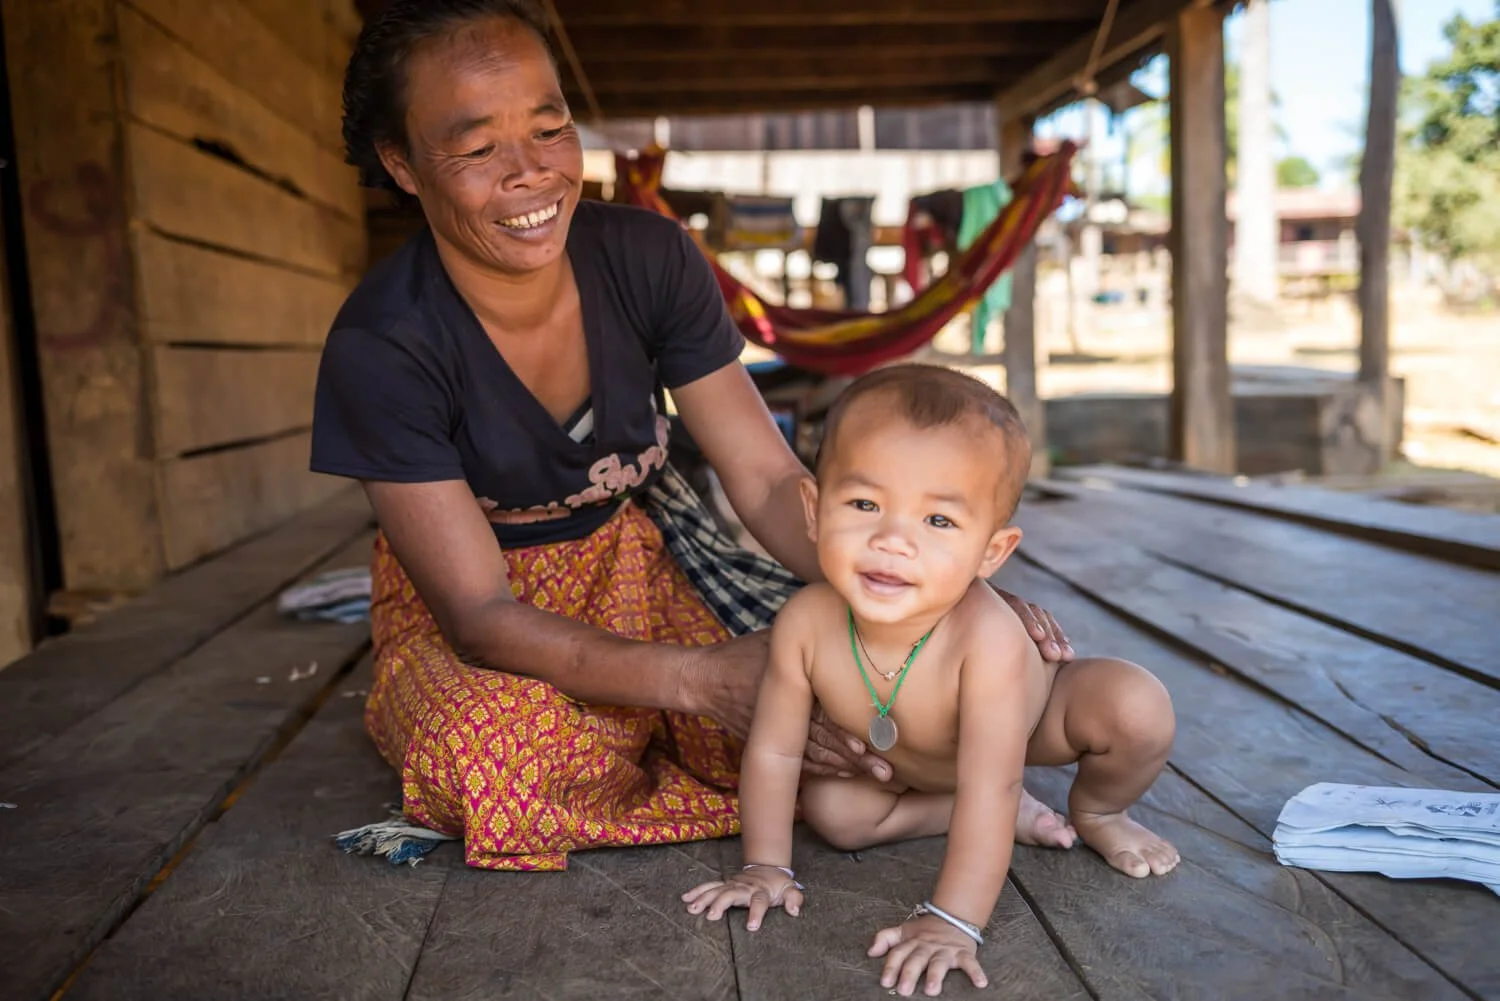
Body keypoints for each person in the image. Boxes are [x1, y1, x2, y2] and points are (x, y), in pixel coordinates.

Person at [313, 0, 1078, 873]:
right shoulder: (384, 345)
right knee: (496, 759)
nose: (530, 173)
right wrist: (700, 681)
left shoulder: (649, 258)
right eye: (478, 148)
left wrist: (927, 599)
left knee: (850, 698)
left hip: (648, 561)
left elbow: (759, 476)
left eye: (551, 127)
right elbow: (482, 616)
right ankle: (834, 786)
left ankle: (943, 794)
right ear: (402, 164)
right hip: (486, 617)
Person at [681, 365, 1179, 997]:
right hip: (916, 767)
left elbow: (992, 784)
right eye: (864, 504)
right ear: (813, 509)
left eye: (938, 521)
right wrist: (764, 867)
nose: (893, 541)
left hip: (1032, 730)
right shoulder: (805, 623)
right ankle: (985, 812)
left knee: (1135, 708)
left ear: (992, 553)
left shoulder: (987, 637)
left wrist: (953, 921)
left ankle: (1101, 809)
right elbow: (776, 750)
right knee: (835, 812)